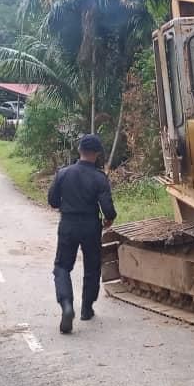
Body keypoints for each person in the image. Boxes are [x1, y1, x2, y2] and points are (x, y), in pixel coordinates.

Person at [48, 134, 117, 334]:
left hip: (68, 225)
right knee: (92, 266)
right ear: (97, 154)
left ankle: (66, 305)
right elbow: (107, 208)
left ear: (79, 150)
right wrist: (109, 219)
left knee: (62, 266)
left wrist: (67, 205)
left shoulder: (63, 173)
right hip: (90, 226)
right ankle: (87, 309)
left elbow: (53, 201)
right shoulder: (99, 177)